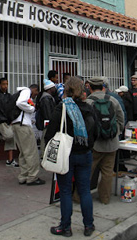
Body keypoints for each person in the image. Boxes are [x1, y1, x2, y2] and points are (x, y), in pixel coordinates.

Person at [45, 77, 98, 237]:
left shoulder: (61, 108)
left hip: (65, 155)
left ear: (66, 91)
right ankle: (89, 226)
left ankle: (65, 227)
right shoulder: (89, 108)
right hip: (85, 154)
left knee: (66, 192)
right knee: (84, 191)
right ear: (82, 91)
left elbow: (50, 134)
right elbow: (95, 132)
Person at [86, 77, 124, 205]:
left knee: (87, 171)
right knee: (107, 172)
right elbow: (121, 118)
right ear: (103, 87)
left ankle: (79, 197)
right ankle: (105, 198)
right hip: (112, 143)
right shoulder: (113, 100)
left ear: (90, 87)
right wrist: (116, 132)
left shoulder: (88, 102)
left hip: (94, 144)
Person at [12, 84, 45, 185]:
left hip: (16, 125)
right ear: (34, 89)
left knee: (23, 152)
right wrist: (31, 109)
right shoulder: (26, 91)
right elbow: (20, 103)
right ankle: (32, 177)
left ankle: (23, 176)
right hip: (23, 126)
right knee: (31, 151)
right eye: (36, 93)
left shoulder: (20, 92)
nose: (35, 95)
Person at [36, 79, 57, 153]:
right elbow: (47, 113)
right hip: (47, 124)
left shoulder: (48, 97)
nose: (55, 89)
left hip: (47, 123)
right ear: (50, 89)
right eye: (54, 87)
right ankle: (43, 155)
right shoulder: (46, 99)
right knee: (45, 139)